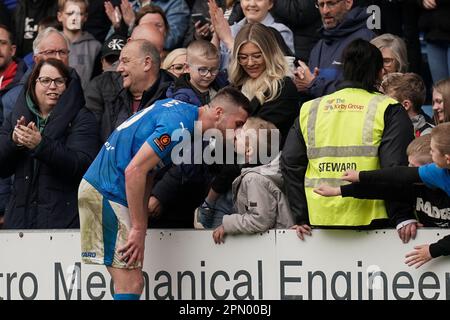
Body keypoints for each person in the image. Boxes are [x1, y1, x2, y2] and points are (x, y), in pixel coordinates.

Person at [79, 86, 250, 300]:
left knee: (132, 283)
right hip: (107, 190)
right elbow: (135, 171)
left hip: (110, 190)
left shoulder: (185, 116)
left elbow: (148, 172)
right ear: (218, 113)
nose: (239, 131)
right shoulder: (180, 125)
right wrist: (139, 227)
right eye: (238, 124)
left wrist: (140, 221)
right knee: (131, 283)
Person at [281, 39, 415, 242]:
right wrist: (402, 216)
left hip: (319, 220)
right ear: (380, 72)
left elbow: (291, 163)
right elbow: (394, 166)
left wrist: (301, 217)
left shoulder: (311, 108)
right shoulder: (388, 109)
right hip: (374, 220)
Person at [0, 58, 99, 229]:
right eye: (45, 80)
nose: (52, 86)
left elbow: (82, 165)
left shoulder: (82, 118)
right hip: (19, 223)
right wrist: (14, 142)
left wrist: (41, 145)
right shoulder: (16, 116)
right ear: (33, 83)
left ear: (67, 86)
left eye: (59, 81)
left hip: (63, 222)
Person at [212, 117, 294, 244]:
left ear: (249, 151)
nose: (236, 134)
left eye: (241, 133)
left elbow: (259, 220)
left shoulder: (253, 180)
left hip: (278, 246)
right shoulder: (259, 175)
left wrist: (227, 224)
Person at [85, 32, 173, 143]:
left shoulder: (174, 94)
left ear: (146, 63)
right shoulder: (105, 87)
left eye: (125, 61)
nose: (118, 69)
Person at [293, 0, 375, 98]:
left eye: (331, 3)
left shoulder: (365, 40)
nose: (325, 11)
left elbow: (358, 91)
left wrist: (313, 84)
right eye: (321, 5)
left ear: (348, 3)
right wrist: (301, 83)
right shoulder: (319, 46)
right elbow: (312, 89)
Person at [208, 0, 294, 71]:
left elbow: (280, 70)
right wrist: (217, 33)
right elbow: (210, 67)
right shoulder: (231, 30)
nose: (252, 4)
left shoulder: (280, 31)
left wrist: (228, 40)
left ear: (270, 3)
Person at [0, 24, 28, 228]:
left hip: (10, 202)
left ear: (13, 49)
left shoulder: (26, 87)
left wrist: (4, 207)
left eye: (2, 43)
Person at [57, 0, 102, 90]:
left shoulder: (95, 47)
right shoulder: (50, 42)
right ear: (60, 16)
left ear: (85, 17)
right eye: (70, 13)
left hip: (85, 101)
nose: (74, 18)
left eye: (79, 14)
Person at [166, 40, 222, 106]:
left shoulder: (220, 84)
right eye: (203, 70)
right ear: (187, 68)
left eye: (214, 69)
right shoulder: (181, 97)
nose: (209, 75)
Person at [380, 72, 433, 136]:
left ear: (405, 105)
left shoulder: (427, 135)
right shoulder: (387, 128)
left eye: (388, 102)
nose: (382, 106)